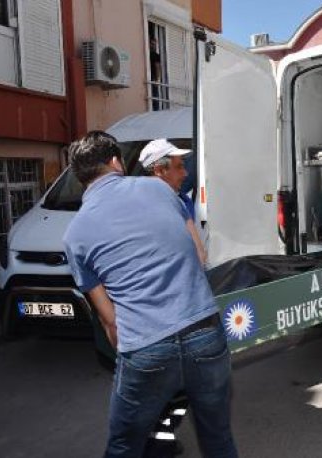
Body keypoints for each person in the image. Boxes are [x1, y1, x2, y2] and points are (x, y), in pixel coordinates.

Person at [62, 131, 237, 457]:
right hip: (204, 330)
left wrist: (132, 357)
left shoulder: (75, 234)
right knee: (217, 437)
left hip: (145, 346)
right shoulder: (159, 189)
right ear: (116, 162)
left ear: (79, 175)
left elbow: (108, 319)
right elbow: (199, 257)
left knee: (124, 445)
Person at [138, 138, 206, 264]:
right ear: (159, 170)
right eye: (179, 167)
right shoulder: (141, 207)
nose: (185, 173)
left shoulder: (183, 200)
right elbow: (199, 256)